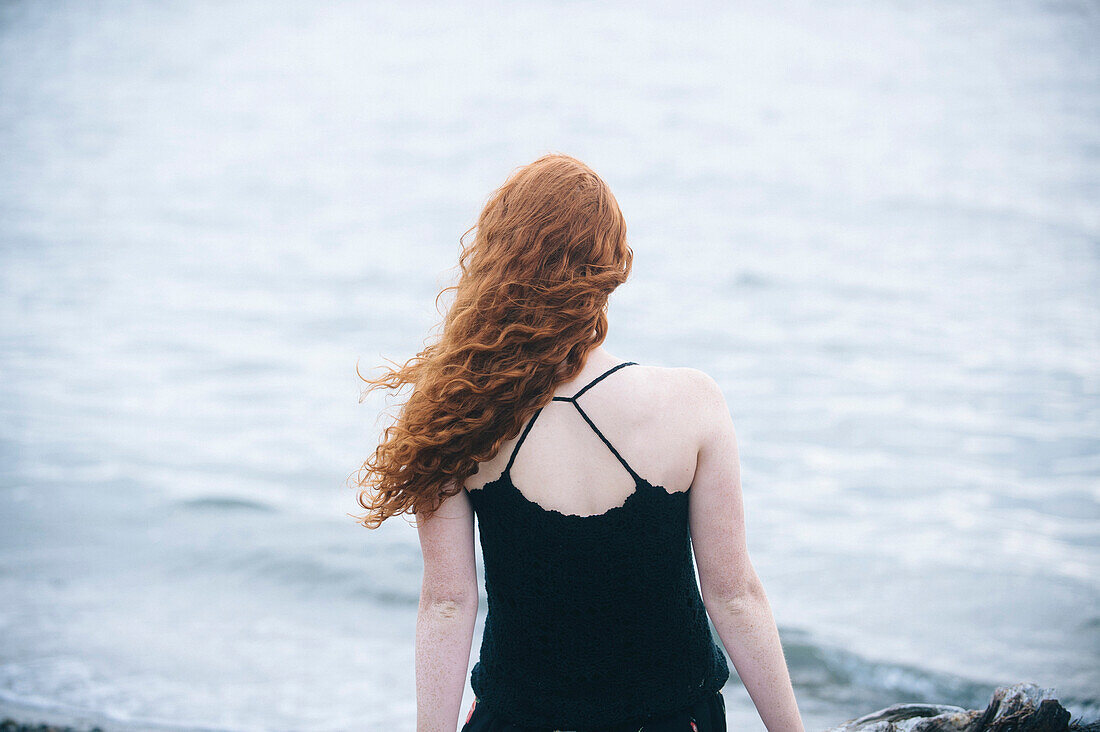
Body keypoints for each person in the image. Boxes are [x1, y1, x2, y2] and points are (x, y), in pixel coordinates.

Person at [352, 153, 805, 732]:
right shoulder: (693, 403)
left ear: (497, 260)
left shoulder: (459, 412)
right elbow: (734, 595)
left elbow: (447, 603)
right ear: (612, 267)